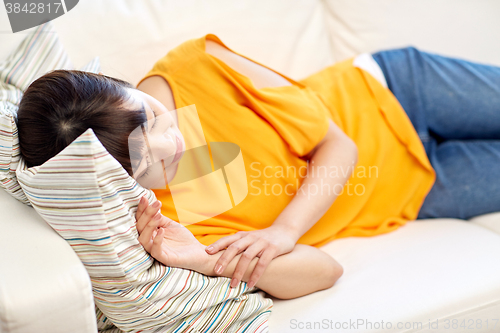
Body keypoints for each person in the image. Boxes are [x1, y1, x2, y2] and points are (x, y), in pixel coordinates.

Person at [16, 34, 500, 297]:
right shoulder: (170, 226)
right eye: (148, 164)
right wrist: (203, 261)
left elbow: (339, 144)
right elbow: (324, 271)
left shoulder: (195, 65)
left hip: (393, 88)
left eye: (154, 117)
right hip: (417, 189)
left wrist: (285, 231)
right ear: (116, 182)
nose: (173, 143)